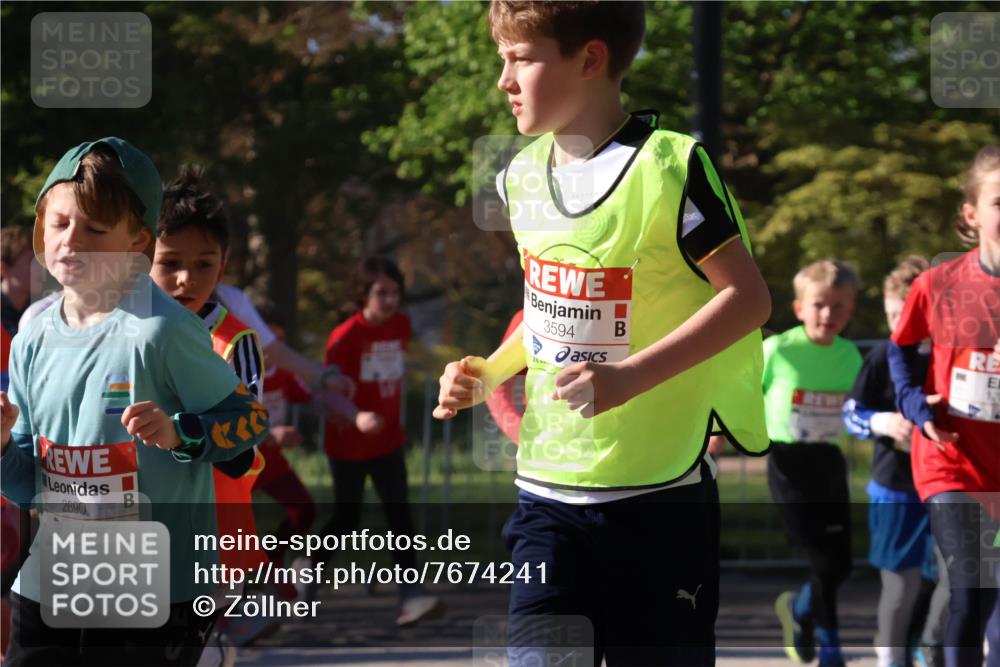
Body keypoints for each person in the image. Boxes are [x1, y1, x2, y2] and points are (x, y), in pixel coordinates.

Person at [436, 2, 772, 663]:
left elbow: (748, 299)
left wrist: (629, 378)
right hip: (547, 499)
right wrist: (491, 372)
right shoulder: (519, 176)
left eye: (522, 59)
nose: (503, 80)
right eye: (502, 59)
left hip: (659, 502)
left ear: (590, 60)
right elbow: (548, 310)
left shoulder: (672, 167)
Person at [0, 138, 268, 666]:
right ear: (40, 228)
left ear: (137, 241)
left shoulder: (162, 328)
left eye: (96, 230)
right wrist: (2, 445)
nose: (72, 241)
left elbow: (250, 422)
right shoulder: (32, 335)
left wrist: (180, 432)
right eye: (59, 224)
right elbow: (27, 483)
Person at [150, 167, 278, 657]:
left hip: (213, 519)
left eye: (204, 264)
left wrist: (179, 431)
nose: (187, 278)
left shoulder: (236, 340)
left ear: (222, 266)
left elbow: (242, 432)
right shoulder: (124, 330)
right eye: (171, 263)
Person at [888, 145, 1000, 667]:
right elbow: (901, 348)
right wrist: (914, 402)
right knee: (973, 587)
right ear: (972, 214)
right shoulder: (938, 283)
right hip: (950, 458)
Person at [316, 256, 443, 627]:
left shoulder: (401, 326)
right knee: (346, 518)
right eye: (381, 293)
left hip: (388, 441)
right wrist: (356, 416)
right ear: (362, 294)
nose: (390, 300)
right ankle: (305, 573)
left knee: (399, 517)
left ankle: (411, 597)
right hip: (349, 446)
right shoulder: (344, 337)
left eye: (395, 293)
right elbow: (326, 392)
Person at [842, 256, 948, 667]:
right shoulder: (882, 357)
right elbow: (851, 413)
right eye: (890, 314)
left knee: (960, 579)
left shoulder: (950, 355)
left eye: (906, 314)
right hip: (895, 488)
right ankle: (891, 657)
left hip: (948, 484)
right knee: (899, 587)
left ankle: (931, 645)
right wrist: (884, 422)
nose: (897, 324)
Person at [766, 259, 863, 667]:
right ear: (799, 307)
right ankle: (831, 648)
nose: (829, 315)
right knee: (822, 561)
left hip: (828, 461)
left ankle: (799, 609)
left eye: (839, 307)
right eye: (820, 305)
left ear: (851, 310)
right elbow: (741, 393)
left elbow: (859, 408)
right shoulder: (778, 350)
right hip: (787, 463)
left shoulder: (851, 355)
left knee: (839, 562)